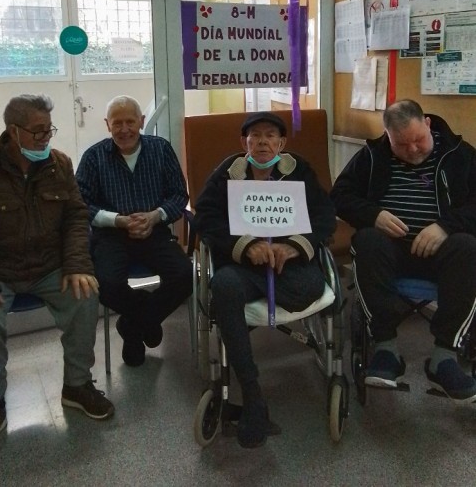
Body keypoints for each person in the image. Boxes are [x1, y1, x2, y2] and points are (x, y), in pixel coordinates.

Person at [0, 94, 114, 465]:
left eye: (48, 130)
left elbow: (76, 218)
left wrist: (77, 264)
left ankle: (77, 385)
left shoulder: (60, 165)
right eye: (38, 131)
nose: (45, 138)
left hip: (49, 266)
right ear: (13, 132)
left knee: (84, 295)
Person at [194, 111, 336, 449]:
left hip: (292, 266)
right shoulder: (228, 173)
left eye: (270, 136)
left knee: (308, 289)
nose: (262, 142)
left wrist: (293, 246)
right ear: (244, 142)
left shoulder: (298, 170)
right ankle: (252, 394)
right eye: (254, 136)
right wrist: (246, 246)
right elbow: (205, 219)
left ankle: (238, 327)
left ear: (281, 143)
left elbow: (325, 217)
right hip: (243, 267)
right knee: (224, 287)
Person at [331, 99, 476, 402]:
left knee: (468, 247)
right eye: (401, 144)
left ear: (428, 124)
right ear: (387, 136)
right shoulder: (372, 155)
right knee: (367, 241)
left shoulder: (460, 155)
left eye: (418, 140)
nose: (412, 150)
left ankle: (444, 357)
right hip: (389, 254)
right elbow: (339, 196)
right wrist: (373, 215)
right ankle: (386, 349)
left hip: (445, 254)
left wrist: (445, 226)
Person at [76, 95, 192, 368]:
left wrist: (155, 216)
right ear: (107, 125)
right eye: (117, 123)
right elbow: (80, 204)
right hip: (110, 235)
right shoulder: (93, 157)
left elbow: (179, 195)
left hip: (155, 230)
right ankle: (145, 318)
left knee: (185, 276)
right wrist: (117, 220)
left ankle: (132, 326)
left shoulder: (161, 149)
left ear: (141, 121)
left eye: (130, 121)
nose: (124, 129)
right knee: (106, 284)